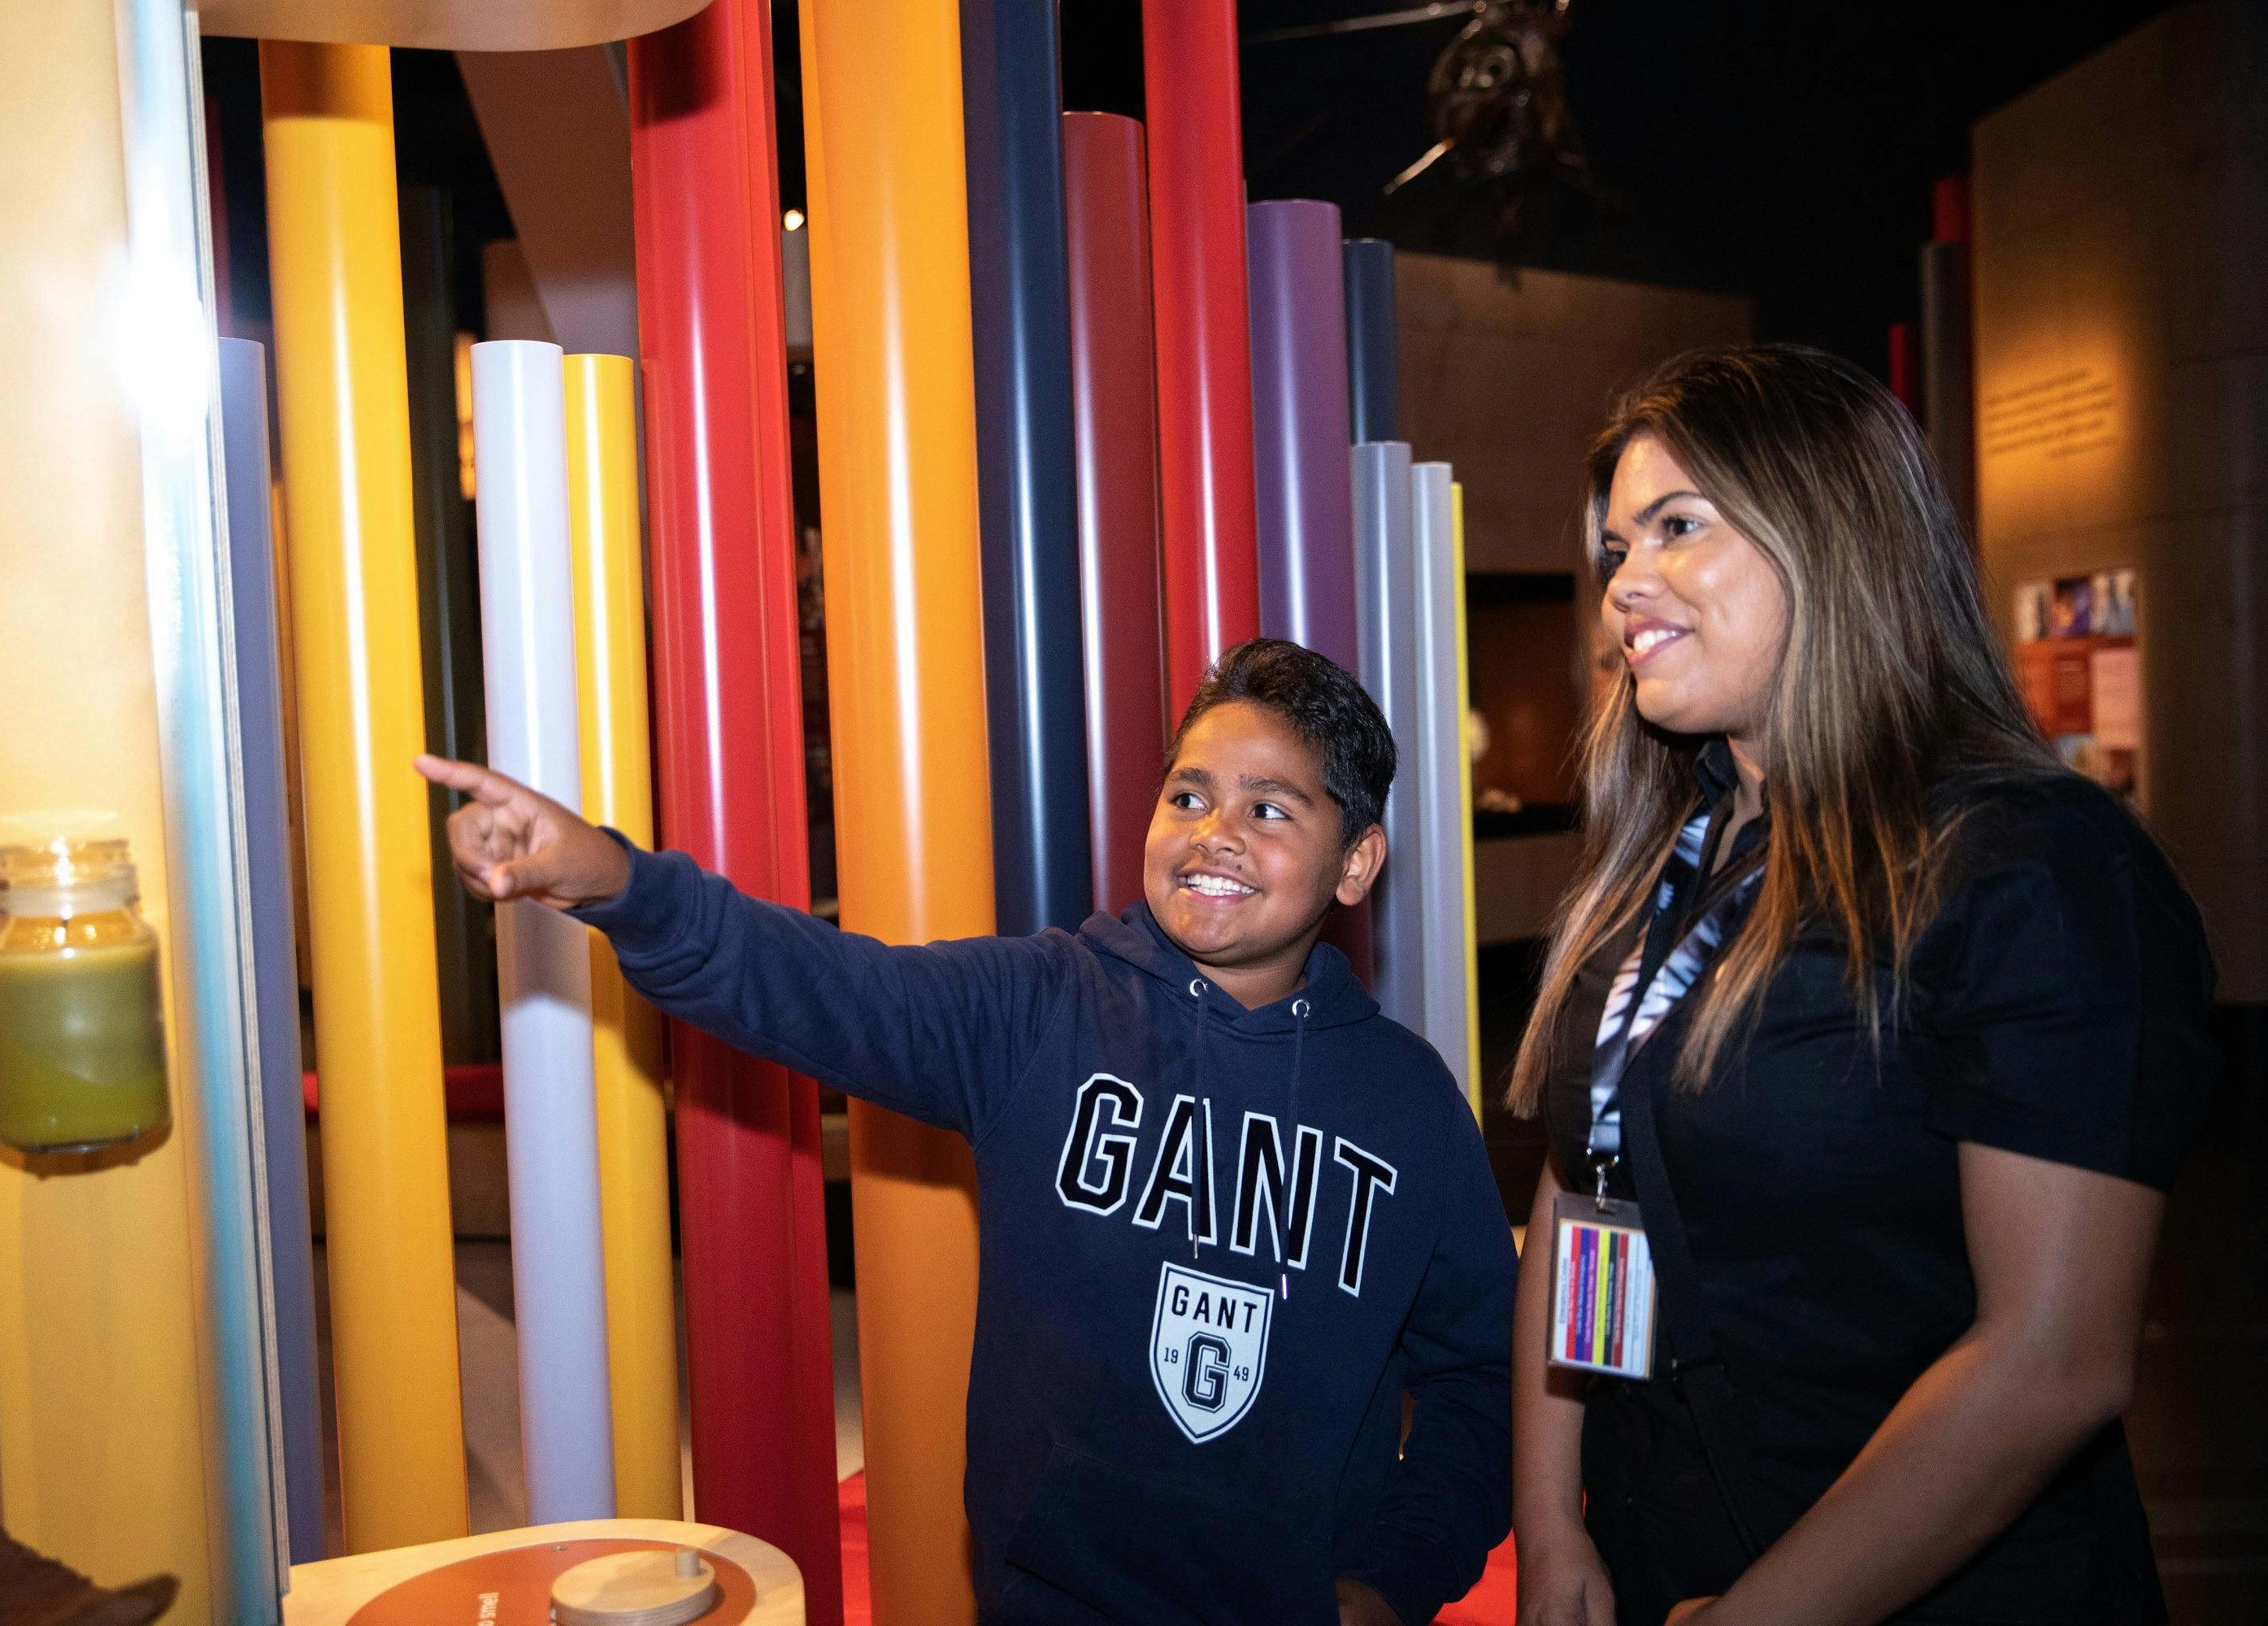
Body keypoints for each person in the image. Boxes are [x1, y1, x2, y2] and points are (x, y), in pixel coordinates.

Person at [423, 638, 1516, 1626]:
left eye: (1270, 809)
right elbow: (816, 982)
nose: (1213, 833)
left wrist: (1394, 1578)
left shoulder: (1410, 1107)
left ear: (1356, 860)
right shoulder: (1041, 1008)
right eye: (1188, 794)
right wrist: (615, 881)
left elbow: (1484, 1377)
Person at [1506, 345, 2216, 1626]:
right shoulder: (1667, 859)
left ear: (1829, 534)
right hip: (1658, 1555)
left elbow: (2052, 1362)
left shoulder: (2034, 867)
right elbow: (1593, 1181)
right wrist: (1557, 1526)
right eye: (1617, 548)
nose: (1625, 584)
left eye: (1678, 527)